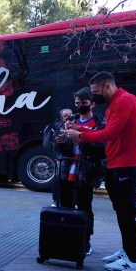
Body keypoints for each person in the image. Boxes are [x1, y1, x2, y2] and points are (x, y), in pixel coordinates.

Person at [65, 71, 136, 271]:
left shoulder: (124, 101)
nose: (94, 96)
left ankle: (133, 260)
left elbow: (109, 134)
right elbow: (107, 133)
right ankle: (127, 252)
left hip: (125, 164)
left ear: (107, 87)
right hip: (116, 163)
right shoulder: (116, 103)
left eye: (95, 91)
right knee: (121, 211)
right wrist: (79, 129)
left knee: (127, 211)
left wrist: (81, 134)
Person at [53, 88, 106, 256]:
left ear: (93, 103)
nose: (80, 106)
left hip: (86, 172)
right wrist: (60, 142)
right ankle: (66, 239)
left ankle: (85, 241)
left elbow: (102, 149)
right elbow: (60, 149)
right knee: (64, 206)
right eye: (77, 103)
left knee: (84, 207)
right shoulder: (71, 120)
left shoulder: (100, 123)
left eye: (83, 103)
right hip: (67, 169)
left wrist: (80, 140)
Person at [46, 108, 73, 207]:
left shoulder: (72, 124)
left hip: (69, 156)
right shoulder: (58, 125)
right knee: (59, 179)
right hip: (61, 156)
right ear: (62, 117)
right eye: (66, 115)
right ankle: (56, 200)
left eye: (70, 115)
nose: (68, 117)